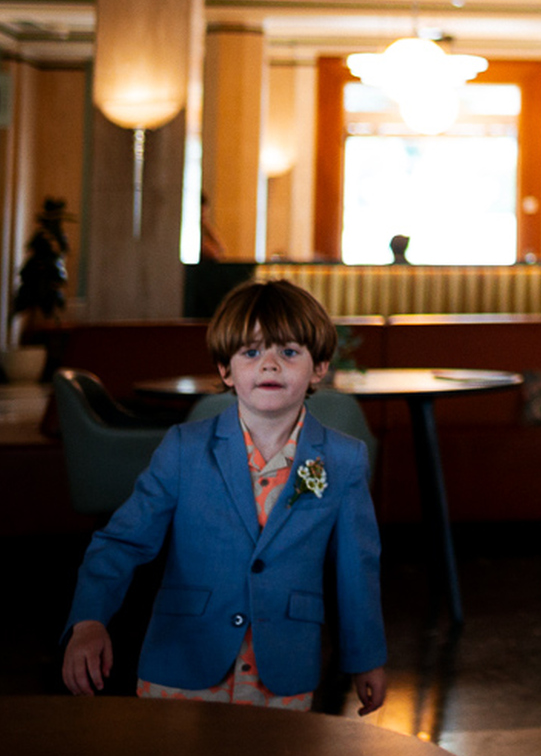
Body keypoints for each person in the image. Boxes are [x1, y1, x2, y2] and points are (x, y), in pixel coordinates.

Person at [62, 280, 387, 715]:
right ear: (225, 370)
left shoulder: (344, 460)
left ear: (319, 367)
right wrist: (88, 621)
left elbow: (356, 569)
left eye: (289, 352)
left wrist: (365, 658)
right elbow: (122, 542)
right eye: (251, 352)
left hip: (283, 674)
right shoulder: (184, 448)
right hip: (181, 664)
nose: (269, 365)